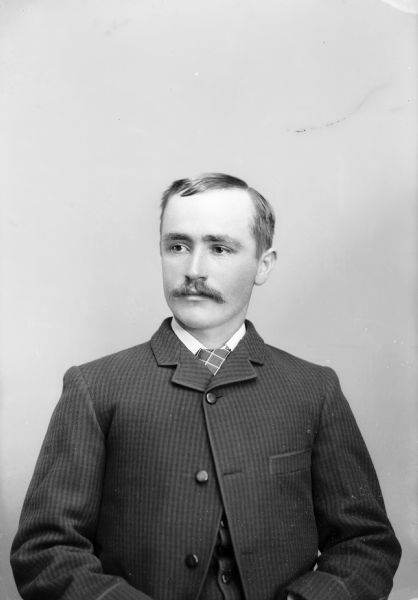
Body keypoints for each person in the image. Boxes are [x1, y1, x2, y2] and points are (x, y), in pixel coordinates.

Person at [11, 173, 401, 600]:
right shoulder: (95, 387)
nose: (194, 270)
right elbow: (46, 550)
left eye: (219, 248)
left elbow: (367, 544)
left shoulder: (313, 389)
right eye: (177, 246)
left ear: (263, 265)